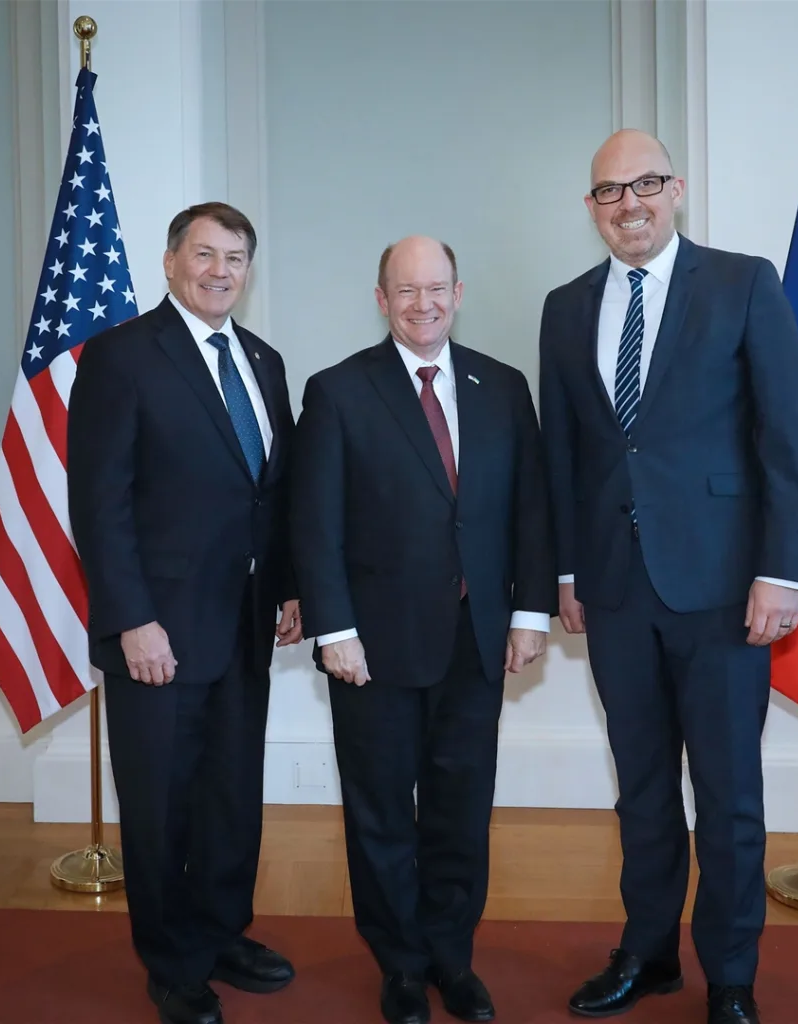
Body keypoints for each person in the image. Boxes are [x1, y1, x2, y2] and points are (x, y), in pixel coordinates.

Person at [538, 131, 798, 1024]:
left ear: (678, 190)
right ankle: (649, 952)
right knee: (645, 789)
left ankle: (731, 974)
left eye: (646, 183)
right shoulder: (564, 305)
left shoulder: (743, 284)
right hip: (615, 591)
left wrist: (782, 572)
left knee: (730, 794)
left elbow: (784, 442)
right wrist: (568, 571)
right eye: (611, 191)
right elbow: (565, 455)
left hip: (728, 590)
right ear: (591, 208)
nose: (631, 203)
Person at [290, 236, 556, 1024]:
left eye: (435, 288)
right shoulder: (338, 391)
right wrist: (333, 630)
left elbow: (531, 510)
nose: (422, 303)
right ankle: (401, 966)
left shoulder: (503, 388)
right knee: (379, 815)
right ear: (381, 299)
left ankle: (452, 957)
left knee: (459, 812)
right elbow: (316, 525)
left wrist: (530, 611)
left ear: (459, 291)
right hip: (371, 651)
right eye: (405, 291)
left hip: (477, 643)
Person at [68, 202, 301, 1024]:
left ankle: (220, 932)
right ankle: (170, 961)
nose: (219, 271)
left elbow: (274, 494)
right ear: (170, 262)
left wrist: (290, 588)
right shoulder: (122, 356)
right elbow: (100, 504)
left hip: (243, 623)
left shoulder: (264, 362)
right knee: (162, 804)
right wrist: (132, 618)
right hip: (157, 632)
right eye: (204, 254)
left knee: (231, 796)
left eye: (235, 258)